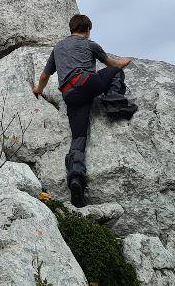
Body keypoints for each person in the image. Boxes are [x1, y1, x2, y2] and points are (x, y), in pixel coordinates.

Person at [32, 13, 138, 207]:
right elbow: (111, 65)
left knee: (78, 138)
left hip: (71, 95)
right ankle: (114, 102)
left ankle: (76, 178)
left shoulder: (58, 48)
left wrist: (38, 90)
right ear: (88, 30)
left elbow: (45, 75)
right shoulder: (90, 45)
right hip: (87, 83)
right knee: (115, 73)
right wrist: (124, 62)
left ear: (71, 29)